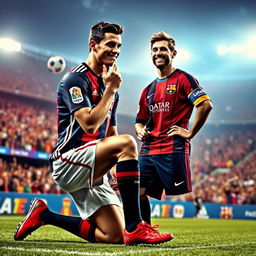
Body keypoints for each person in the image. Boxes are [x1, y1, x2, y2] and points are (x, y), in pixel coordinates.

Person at [14, 22, 173, 245]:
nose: (116, 50)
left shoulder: (110, 88)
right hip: (68, 161)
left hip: (93, 169)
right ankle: (136, 226)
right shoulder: (75, 79)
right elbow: (89, 124)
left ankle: (43, 215)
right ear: (93, 45)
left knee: (114, 236)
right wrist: (111, 90)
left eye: (119, 46)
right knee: (128, 142)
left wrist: (118, 168)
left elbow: (111, 133)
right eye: (110, 44)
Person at [135, 31, 213, 224]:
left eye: (163, 49)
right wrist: (139, 130)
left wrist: (190, 133)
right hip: (149, 148)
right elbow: (140, 120)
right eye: (154, 50)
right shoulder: (148, 90)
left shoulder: (185, 79)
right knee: (137, 190)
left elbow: (205, 105)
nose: (158, 52)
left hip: (172, 148)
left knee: (175, 192)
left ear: (173, 53)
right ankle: (144, 228)